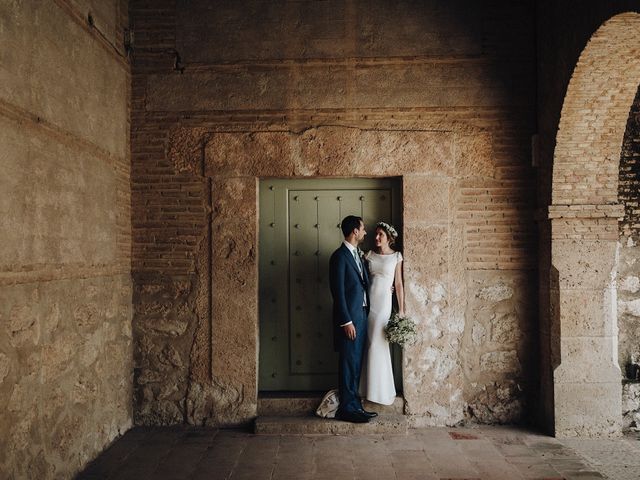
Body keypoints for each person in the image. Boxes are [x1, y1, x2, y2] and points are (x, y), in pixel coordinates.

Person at [329, 215, 378, 423]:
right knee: (349, 362)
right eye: (363, 229)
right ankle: (346, 410)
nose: (365, 232)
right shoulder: (339, 256)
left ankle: (355, 405)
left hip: (362, 315)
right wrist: (346, 321)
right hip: (349, 319)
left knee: (356, 362)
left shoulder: (358, 254)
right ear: (354, 231)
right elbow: (337, 292)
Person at [359, 221, 404, 406]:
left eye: (381, 235)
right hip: (369, 305)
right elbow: (361, 279)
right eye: (376, 234)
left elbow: (399, 284)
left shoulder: (396, 257)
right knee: (370, 344)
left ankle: (382, 391)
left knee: (379, 344)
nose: (376, 237)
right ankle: (366, 389)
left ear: (389, 238)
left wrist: (401, 309)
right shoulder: (368, 255)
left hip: (384, 305)